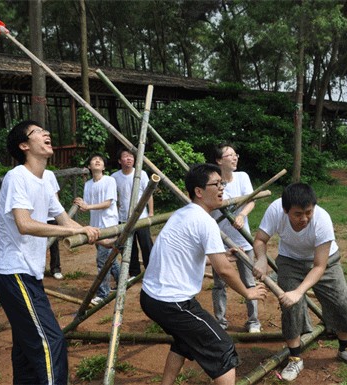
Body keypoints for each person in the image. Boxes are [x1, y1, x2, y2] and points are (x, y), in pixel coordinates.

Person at [140, 163, 267, 385]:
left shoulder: (183, 214)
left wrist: (220, 255)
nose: (222, 189)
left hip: (154, 297)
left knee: (184, 340)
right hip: (171, 302)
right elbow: (224, 271)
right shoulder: (203, 220)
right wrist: (248, 292)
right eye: (216, 184)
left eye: (222, 183)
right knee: (222, 346)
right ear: (199, 192)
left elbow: (187, 254)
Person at [0, 120, 100, 385]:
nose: (46, 134)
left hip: (29, 275)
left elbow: (64, 220)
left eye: (45, 131)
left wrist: (96, 237)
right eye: (38, 132)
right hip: (14, 274)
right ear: (24, 145)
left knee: (26, 350)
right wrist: (73, 232)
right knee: (50, 343)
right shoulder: (17, 176)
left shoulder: (46, 179)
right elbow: (24, 224)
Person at [253, 182, 347, 382]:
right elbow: (260, 240)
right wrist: (262, 259)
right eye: (298, 214)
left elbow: (319, 267)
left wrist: (299, 292)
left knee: (341, 303)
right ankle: (295, 357)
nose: (304, 218)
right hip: (290, 261)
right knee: (290, 307)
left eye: (308, 212)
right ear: (285, 210)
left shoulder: (322, 219)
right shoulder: (275, 210)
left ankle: (346, 348)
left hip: (325, 262)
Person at [210, 143, 261, 333]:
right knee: (219, 284)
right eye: (229, 155)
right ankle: (220, 322)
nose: (234, 158)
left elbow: (251, 201)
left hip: (242, 240)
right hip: (219, 241)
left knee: (249, 281)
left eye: (235, 154)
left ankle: (254, 321)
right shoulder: (213, 182)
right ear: (218, 160)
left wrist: (241, 215)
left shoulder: (243, 177)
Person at [74, 152, 120, 306]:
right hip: (95, 225)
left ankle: (103, 293)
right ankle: (121, 284)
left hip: (109, 225)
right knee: (110, 259)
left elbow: (107, 203)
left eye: (100, 160)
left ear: (104, 166)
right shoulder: (88, 185)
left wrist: (88, 206)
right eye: (94, 160)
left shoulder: (110, 180)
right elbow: (86, 206)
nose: (98, 161)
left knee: (102, 261)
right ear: (89, 166)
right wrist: (81, 204)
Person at [111, 147, 154, 277]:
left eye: (131, 156)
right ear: (119, 160)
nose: (129, 158)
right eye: (125, 156)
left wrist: (151, 212)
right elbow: (115, 199)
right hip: (124, 217)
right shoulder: (114, 177)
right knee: (130, 248)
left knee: (146, 245)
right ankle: (134, 272)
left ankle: (151, 271)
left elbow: (149, 193)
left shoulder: (141, 173)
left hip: (141, 217)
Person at [44, 169, 64, 280]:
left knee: (54, 244)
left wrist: (57, 213)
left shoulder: (49, 174)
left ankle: (56, 268)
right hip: (37, 218)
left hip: (51, 216)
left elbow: (55, 194)